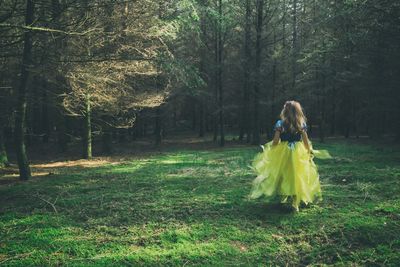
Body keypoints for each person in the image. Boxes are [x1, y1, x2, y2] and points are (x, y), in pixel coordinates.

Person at [249, 100, 331, 211]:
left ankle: (284, 196)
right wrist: (308, 150)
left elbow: (276, 141)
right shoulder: (301, 123)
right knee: (297, 175)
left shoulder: (280, 123)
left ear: (285, 111)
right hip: (298, 151)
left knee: (283, 172)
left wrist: (272, 149)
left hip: (284, 151)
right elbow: (305, 141)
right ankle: (295, 202)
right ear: (298, 111)